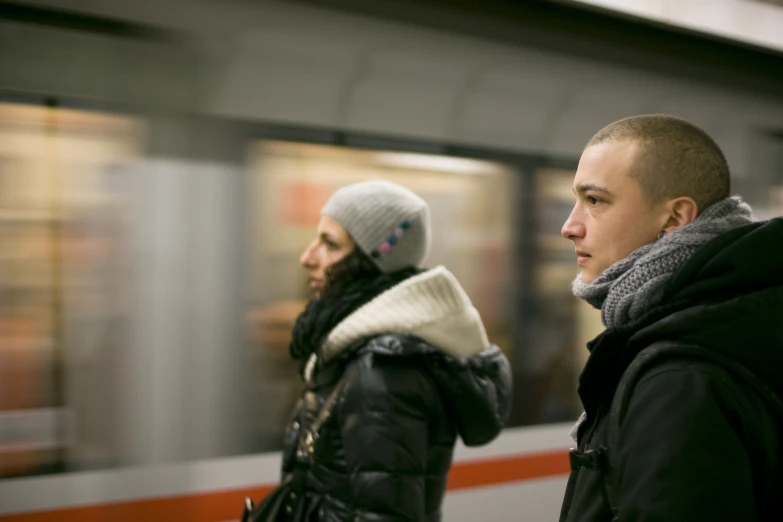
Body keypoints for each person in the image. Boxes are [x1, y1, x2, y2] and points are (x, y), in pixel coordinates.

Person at [557, 114, 783, 522]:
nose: (569, 226)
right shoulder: (741, 312)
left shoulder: (680, 376)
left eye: (594, 201)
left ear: (675, 218)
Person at [272, 180, 511, 521]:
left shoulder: (381, 368)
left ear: (373, 260)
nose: (307, 257)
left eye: (329, 244)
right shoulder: (349, 346)